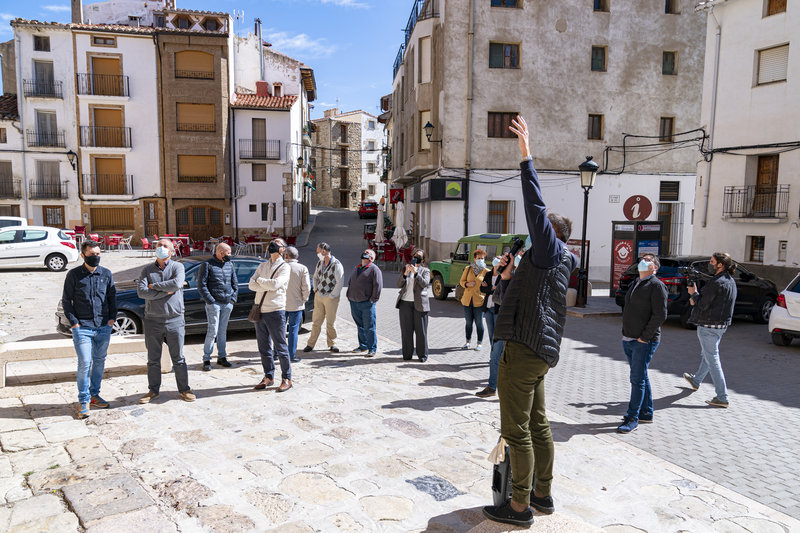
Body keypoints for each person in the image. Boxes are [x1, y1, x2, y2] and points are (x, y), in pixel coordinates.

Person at [483, 116, 577, 527]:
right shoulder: (562, 261)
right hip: (541, 352)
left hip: (523, 350)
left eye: (540, 231)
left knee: (516, 429)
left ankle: (518, 507)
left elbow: (535, 205)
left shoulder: (548, 250)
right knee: (539, 425)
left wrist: (526, 157)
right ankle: (543, 494)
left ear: (549, 236)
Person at [61, 240, 116, 419]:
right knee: (85, 363)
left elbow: (112, 298)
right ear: (83, 255)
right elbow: (66, 300)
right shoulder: (74, 275)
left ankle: (94, 395)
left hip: (102, 327)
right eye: (92, 254)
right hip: (82, 327)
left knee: (99, 361)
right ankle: (83, 400)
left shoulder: (106, 274)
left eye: (98, 254)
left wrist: (111, 320)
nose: (96, 257)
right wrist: (74, 323)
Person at [137, 239, 195, 404]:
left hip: (174, 319)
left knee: (178, 358)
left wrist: (153, 286)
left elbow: (177, 284)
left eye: (165, 246)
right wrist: (165, 291)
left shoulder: (178, 267)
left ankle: (184, 389)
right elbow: (141, 292)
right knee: (153, 358)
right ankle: (153, 390)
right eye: (158, 245)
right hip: (152, 320)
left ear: (172, 251)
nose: (161, 248)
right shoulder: (147, 269)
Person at [617, 254, 668, 433]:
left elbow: (660, 315)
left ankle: (633, 417)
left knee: (636, 379)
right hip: (629, 337)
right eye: (642, 259)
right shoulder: (636, 282)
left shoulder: (657, 286)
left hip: (644, 341)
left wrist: (644, 338)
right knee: (641, 376)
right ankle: (646, 412)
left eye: (649, 260)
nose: (643, 261)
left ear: (655, 267)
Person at [683, 252, 738, 408]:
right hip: (721, 326)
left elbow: (701, 304)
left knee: (712, 358)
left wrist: (693, 294)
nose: (710, 264)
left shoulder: (716, 282)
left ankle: (722, 396)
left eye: (712, 261)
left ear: (720, 264)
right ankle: (696, 380)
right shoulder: (730, 281)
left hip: (708, 327)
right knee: (707, 354)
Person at [476, 249, 523, 399]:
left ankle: (510, 391)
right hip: (503, 324)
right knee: (495, 356)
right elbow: (496, 298)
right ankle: (492, 387)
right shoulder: (506, 278)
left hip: (515, 327)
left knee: (511, 360)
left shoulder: (523, 280)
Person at [249, 238, 293, 392]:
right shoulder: (262, 265)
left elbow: (275, 284)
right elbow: (250, 284)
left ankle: (287, 377)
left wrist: (260, 280)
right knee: (263, 347)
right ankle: (268, 376)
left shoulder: (285, 267)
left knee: (280, 347)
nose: (273, 245)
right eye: (272, 242)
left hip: (275, 311)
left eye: (277, 243)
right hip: (260, 310)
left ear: (283, 249)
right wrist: (264, 282)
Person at [197, 242, 237, 372]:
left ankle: (222, 357)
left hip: (227, 303)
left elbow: (234, 283)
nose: (230, 255)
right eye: (228, 253)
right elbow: (201, 285)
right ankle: (206, 359)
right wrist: (211, 301)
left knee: (222, 331)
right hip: (214, 303)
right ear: (220, 253)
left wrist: (232, 299)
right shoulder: (207, 264)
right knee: (212, 331)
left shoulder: (230, 264)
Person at [303, 242, 344, 353]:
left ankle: (333, 343)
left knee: (330, 322)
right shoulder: (319, 263)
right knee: (316, 321)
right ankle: (310, 344)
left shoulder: (336, 264)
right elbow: (315, 277)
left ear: (324, 251)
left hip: (331, 298)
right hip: (319, 296)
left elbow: (340, 282)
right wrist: (315, 289)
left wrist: (332, 295)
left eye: (318, 251)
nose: (317, 253)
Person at [395, 248, 431, 362]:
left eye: (419, 256)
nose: (416, 257)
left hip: (420, 304)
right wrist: (405, 273)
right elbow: (399, 284)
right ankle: (407, 354)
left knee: (421, 331)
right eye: (415, 255)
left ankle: (422, 355)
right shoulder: (407, 268)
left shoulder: (425, 270)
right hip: (405, 303)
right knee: (406, 330)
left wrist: (416, 272)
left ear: (423, 259)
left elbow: (425, 283)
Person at [346, 248, 382, 357]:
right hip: (354, 302)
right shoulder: (357, 267)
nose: (365, 254)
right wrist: (348, 295)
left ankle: (372, 348)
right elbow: (351, 282)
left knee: (369, 326)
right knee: (360, 325)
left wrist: (372, 300)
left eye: (368, 253)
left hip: (366, 303)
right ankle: (363, 345)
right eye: (365, 252)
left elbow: (378, 286)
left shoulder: (374, 269)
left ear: (372, 258)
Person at [284, 246, 310, 363]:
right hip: (296, 303)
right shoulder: (302, 268)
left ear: (286, 256)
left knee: (279, 330)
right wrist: (304, 299)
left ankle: (275, 353)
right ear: (297, 257)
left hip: (281, 304)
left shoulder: (281, 267)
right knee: (294, 330)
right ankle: (291, 355)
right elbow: (306, 287)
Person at [459, 249, 490, 350]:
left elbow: (490, 286)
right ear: (474, 259)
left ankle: (479, 343)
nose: (481, 260)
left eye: (482, 258)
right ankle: (467, 342)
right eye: (479, 258)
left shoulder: (487, 272)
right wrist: (467, 284)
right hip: (467, 300)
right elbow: (461, 281)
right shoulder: (468, 269)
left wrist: (486, 285)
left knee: (479, 323)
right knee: (468, 322)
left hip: (479, 301)